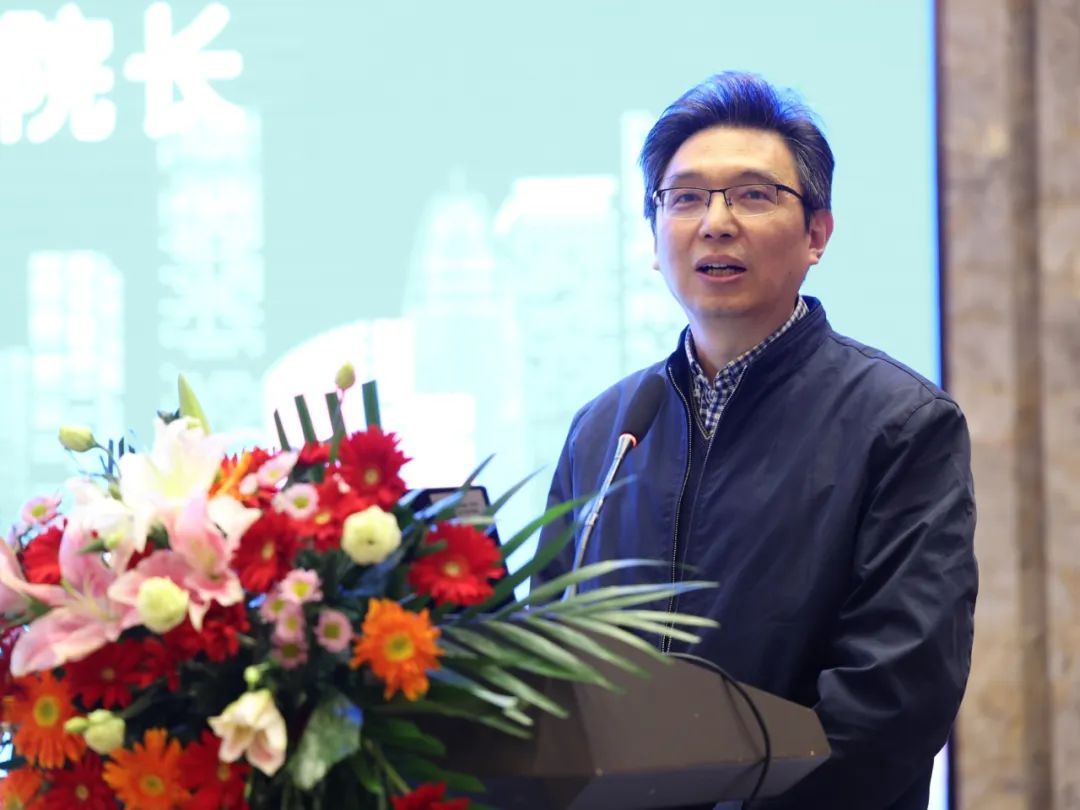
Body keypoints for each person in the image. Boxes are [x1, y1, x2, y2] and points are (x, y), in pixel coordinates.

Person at [532, 72, 977, 810]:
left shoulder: (901, 424)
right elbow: (549, 664)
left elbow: (896, 696)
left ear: (817, 234)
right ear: (653, 238)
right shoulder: (604, 432)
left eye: (753, 195)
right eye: (685, 198)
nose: (715, 222)